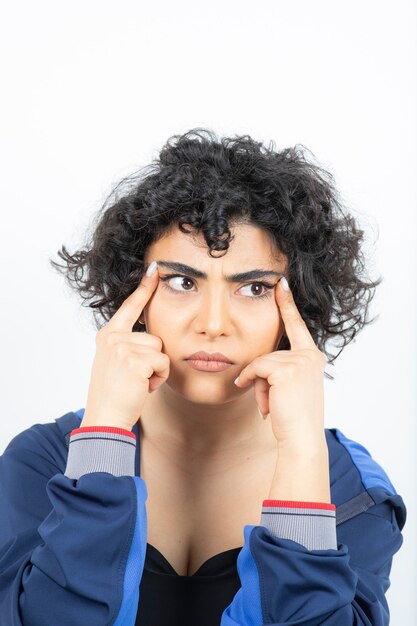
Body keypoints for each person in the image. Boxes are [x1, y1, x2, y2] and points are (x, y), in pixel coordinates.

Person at [0, 128, 406, 626]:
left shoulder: (351, 488)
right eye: (181, 281)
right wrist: (103, 434)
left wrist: (302, 456)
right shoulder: (42, 462)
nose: (213, 323)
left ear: (299, 304)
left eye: (255, 288)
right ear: (134, 295)